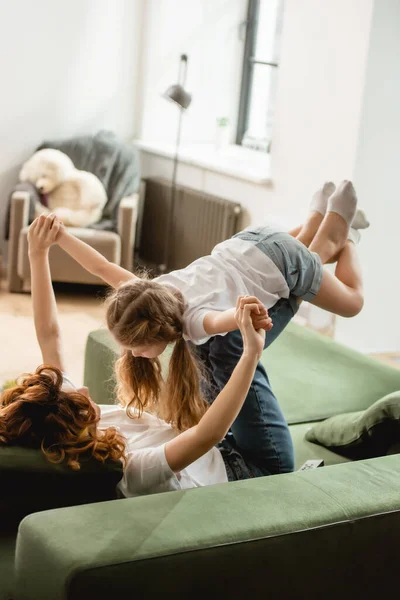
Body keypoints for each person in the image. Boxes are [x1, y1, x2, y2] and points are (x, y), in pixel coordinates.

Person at [52, 180, 366, 438]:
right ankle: (316, 214)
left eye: (139, 347)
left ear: (158, 332)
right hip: (251, 242)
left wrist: (243, 314)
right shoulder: (155, 289)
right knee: (307, 255)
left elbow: (221, 321)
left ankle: (343, 226)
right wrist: (63, 237)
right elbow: (103, 267)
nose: (134, 355)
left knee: (351, 300)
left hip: (281, 263)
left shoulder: (191, 322)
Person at [0, 214, 271, 494]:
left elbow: (49, 334)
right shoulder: (131, 469)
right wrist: (252, 352)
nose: (81, 388)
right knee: (230, 344)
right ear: (76, 429)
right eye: (79, 403)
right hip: (249, 470)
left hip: (218, 447)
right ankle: (299, 261)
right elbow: (206, 435)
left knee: (192, 327)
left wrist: (38, 253)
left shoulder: (66, 415)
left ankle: (296, 252)